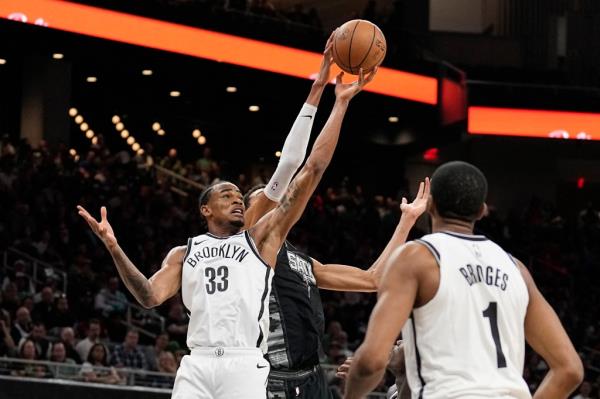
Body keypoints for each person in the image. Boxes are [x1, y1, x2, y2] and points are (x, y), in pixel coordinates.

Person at [76, 32, 376, 398]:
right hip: (197, 362)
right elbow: (150, 296)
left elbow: (305, 168)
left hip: (245, 362)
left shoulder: (260, 238)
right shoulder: (183, 253)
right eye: (226, 194)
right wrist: (113, 247)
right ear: (205, 209)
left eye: (239, 195)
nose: (238, 199)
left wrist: (332, 98)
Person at [344, 161, 584, 399]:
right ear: (482, 210)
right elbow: (570, 370)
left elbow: (371, 362)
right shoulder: (516, 268)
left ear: (430, 205)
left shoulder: (416, 258)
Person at [243, 179, 429, 398]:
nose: (273, 210)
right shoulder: (248, 253)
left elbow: (373, 279)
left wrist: (406, 221)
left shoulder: (303, 260)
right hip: (275, 376)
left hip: (312, 375)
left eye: (276, 203)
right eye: (264, 205)